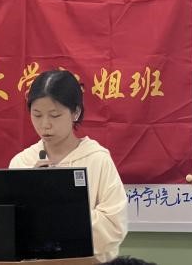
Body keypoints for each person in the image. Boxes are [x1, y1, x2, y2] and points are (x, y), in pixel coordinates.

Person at [9, 69, 128, 262]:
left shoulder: (97, 159)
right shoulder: (22, 162)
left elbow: (114, 226)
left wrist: (58, 210)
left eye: (55, 115)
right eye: (37, 115)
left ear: (76, 112)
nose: (45, 124)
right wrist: (32, 196)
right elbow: (12, 231)